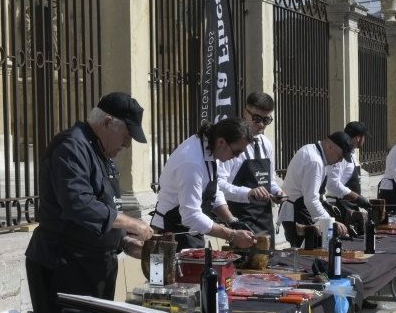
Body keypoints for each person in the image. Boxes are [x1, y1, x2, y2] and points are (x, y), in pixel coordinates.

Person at [25, 93, 155, 313]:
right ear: (107, 123)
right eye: (126, 135)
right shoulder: (71, 147)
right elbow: (79, 204)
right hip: (65, 267)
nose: (127, 144)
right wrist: (133, 224)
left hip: (95, 268)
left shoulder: (102, 152)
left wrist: (123, 242)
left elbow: (106, 205)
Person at [152, 119, 257, 250]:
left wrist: (232, 221)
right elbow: (191, 215)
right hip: (168, 235)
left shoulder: (211, 150)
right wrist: (232, 235)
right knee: (164, 271)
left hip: (191, 232)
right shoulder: (192, 162)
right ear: (221, 142)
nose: (236, 157)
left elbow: (213, 190)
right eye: (236, 152)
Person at [218, 93, 284, 244]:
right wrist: (248, 193)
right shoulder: (231, 143)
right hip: (240, 219)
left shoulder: (266, 144)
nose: (261, 124)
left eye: (266, 120)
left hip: (265, 219)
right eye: (257, 118)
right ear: (245, 113)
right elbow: (219, 185)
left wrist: (276, 192)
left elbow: (269, 180)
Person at [280, 131, 354, 247]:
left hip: (302, 210)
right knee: (308, 256)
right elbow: (311, 200)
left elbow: (316, 192)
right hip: (298, 214)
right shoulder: (315, 161)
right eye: (340, 156)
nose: (340, 161)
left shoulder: (313, 150)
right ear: (330, 147)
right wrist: (330, 222)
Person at [325, 121, 372, 234]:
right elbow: (332, 184)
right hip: (339, 207)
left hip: (349, 206)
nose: (364, 140)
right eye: (364, 137)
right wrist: (357, 198)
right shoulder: (341, 155)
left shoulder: (352, 155)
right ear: (358, 138)